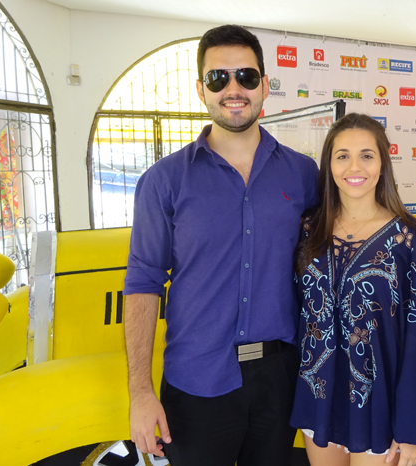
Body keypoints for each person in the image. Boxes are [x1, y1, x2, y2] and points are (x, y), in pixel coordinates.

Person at [122, 24, 319, 465]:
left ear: (265, 85)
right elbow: (143, 284)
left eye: (246, 76)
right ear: (201, 89)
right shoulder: (163, 181)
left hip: (281, 378)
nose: (234, 89)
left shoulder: (303, 175)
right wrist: (141, 393)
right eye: (218, 78)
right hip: (196, 380)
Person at [291, 113, 416, 466]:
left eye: (366, 155)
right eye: (342, 156)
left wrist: (414, 428)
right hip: (319, 397)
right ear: (329, 164)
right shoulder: (308, 230)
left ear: (382, 163)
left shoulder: (409, 241)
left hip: (380, 404)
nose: (354, 167)